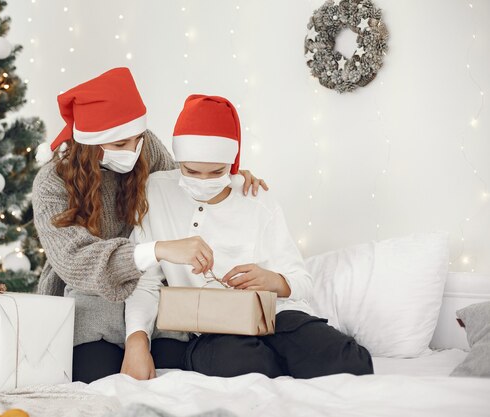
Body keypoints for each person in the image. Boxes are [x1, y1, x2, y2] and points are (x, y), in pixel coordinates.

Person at [31, 68, 267, 383]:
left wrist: (230, 180)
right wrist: (156, 250)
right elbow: (74, 262)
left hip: (154, 291)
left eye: (137, 139)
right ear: (90, 142)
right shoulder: (52, 183)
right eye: (119, 144)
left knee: (173, 370)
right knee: (97, 374)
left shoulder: (147, 149)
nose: (132, 151)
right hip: (90, 294)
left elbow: (184, 188)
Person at [122, 94, 374, 380]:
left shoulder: (256, 199)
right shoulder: (155, 192)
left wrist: (274, 281)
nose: (203, 182)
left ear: (233, 163)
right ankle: (284, 367)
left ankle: (291, 359)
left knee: (351, 363)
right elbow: (144, 281)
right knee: (240, 364)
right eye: (191, 171)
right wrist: (136, 339)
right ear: (177, 160)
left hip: (276, 314)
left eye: (216, 172)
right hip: (213, 327)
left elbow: (302, 281)